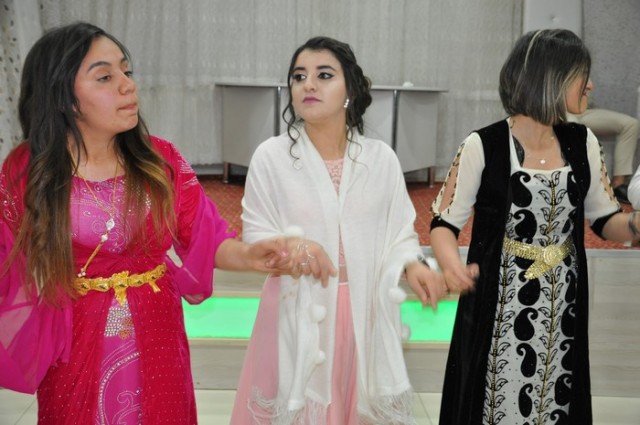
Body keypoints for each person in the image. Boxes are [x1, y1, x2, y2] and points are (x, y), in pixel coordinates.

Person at [0, 22, 335, 424]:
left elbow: (207, 238)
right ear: (63, 97)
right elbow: (6, 261)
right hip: (75, 338)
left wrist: (254, 255)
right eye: (105, 77)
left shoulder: (159, 160)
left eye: (127, 71)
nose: (128, 85)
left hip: (156, 328)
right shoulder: (27, 172)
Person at [230, 36, 447, 424]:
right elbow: (256, 234)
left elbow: (400, 232)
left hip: (362, 310)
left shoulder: (380, 160)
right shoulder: (271, 157)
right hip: (296, 309)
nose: (308, 85)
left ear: (351, 90)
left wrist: (414, 265)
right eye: (299, 76)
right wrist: (294, 249)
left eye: (324, 75)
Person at [430, 29, 640, 425]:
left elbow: (604, 220)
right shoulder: (483, 145)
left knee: (556, 395)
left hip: (563, 301)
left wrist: (633, 224)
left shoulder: (583, 141)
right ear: (550, 78)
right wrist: (450, 265)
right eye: (582, 75)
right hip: (498, 300)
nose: (591, 85)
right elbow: (443, 223)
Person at [568, 107, 639, 204]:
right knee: (572, 125)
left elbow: (580, 104)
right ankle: (576, 186)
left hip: (584, 111)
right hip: (559, 111)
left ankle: (617, 185)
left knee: (631, 125)